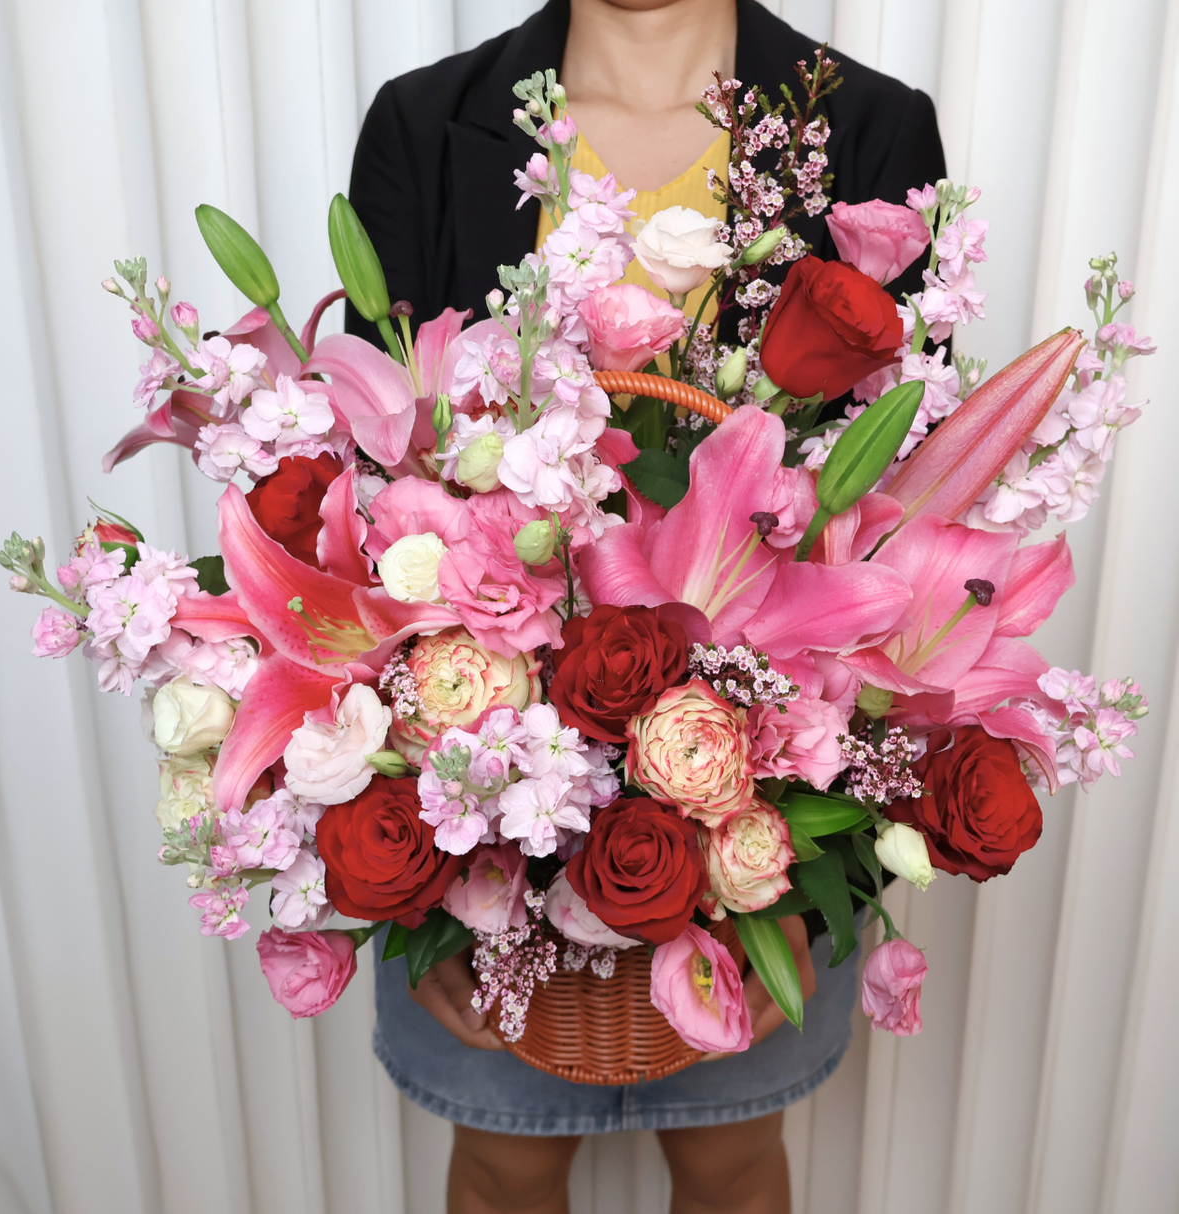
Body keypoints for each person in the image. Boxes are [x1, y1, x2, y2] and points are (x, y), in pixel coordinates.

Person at [348, 2, 945, 1211]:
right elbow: (372, 495)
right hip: (485, 770)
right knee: (503, 1155)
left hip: (760, 788)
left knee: (728, 1153)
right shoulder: (423, 125)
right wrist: (414, 877)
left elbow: (899, 501)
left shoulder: (871, 131)